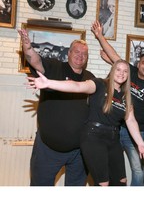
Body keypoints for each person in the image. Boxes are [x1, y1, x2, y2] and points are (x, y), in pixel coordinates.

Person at [26, 59, 144, 186]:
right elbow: (77, 86)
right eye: (118, 69)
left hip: (113, 139)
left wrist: (140, 143)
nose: (121, 73)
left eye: (125, 71)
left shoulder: (126, 96)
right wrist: (49, 83)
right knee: (104, 184)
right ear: (113, 71)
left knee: (121, 181)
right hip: (94, 137)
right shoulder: (99, 84)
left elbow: (131, 120)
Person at [90, 20, 144, 186]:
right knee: (113, 169)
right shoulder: (129, 72)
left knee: (138, 171)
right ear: (138, 64)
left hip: (137, 133)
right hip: (117, 128)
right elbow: (113, 55)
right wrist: (100, 36)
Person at [18, 29, 95, 186]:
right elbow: (34, 60)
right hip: (48, 149)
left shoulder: (90, 78)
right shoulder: (54, 67)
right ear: (69, 53)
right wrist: (27, 46)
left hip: (79, 151)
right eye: (77, 52)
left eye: (84, 54)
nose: (80, 56)